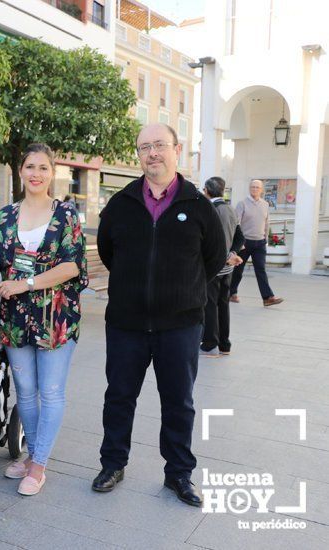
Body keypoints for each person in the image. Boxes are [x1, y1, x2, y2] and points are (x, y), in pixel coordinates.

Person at [93, 123, 226, 507]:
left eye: (160, 146)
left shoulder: (198, 206)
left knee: (179, 402)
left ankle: (179, 474)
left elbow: (213, 258)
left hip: (180, 324)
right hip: (126, 324)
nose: (152, 153)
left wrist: (180, 290)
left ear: (177, 149)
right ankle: (113, 464)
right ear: (138, 154)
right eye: (144, 147)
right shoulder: (121, 204)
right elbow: (108, 252)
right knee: (119, 396)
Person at [0, 144, 87, 496]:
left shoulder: (65, 215)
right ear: (20, 171)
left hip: (55, 317)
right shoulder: (4, 217)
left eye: (43, 168)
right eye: (30, 166)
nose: (36, 173)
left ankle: (39, 464)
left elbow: (71, 265)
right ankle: (32, 455)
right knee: (26, 394)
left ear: (52, 173)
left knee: (50, 391)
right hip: (16, 317)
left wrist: (26, 283)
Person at [201, 177, 244, 357]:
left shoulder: (209, 210)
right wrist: (233, 254)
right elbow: (240, 237)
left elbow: (208, 241)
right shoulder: (231, 209)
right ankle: (224, 345)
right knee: (223, 304)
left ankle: (210, 343)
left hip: (213, 266)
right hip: (228, 268)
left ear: (207, 191)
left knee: (210, 305)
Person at [229, 179, 284, 306]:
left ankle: (267, 298)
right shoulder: (242, 204)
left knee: (261, 270)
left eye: (257, 187)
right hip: (245, 243)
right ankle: (232, 293)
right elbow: (236, 224)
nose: (254, 189)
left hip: (260, 243)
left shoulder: (265, 204)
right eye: (252, 187)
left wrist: (266, 239)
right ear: (249, 188)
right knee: (238, 270)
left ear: (261, 190)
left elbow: (266, 222)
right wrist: (238, 243)